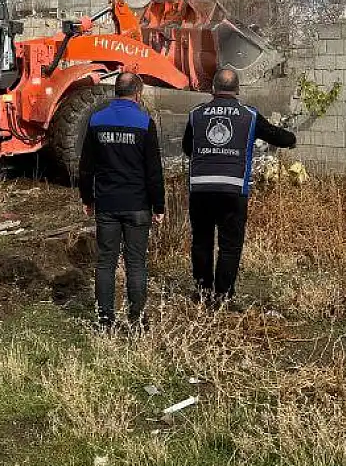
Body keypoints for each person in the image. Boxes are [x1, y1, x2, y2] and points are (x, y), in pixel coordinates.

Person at [182, 67, 296, 307]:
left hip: (200, 190)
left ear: (213, 89)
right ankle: (223, 296)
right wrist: (292, 140)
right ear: (237, 90)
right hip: (233, 190)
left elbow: (187, 148)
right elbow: (278, 136)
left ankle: (202, 293)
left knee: (201, 242)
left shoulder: (196, 114)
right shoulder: (249, 115)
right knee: (230, 245)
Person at [78, 72, 166, 329]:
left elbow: (86, 168)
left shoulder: (96, 121)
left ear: (115, 91)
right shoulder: (144, 122)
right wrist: (158, 205)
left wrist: (88, 198)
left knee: (105, 262)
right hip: (138, 205)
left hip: (107, 204)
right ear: (137, 94)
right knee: (136, 262)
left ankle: (105, 320)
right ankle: (137, 320)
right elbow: (153, 171)